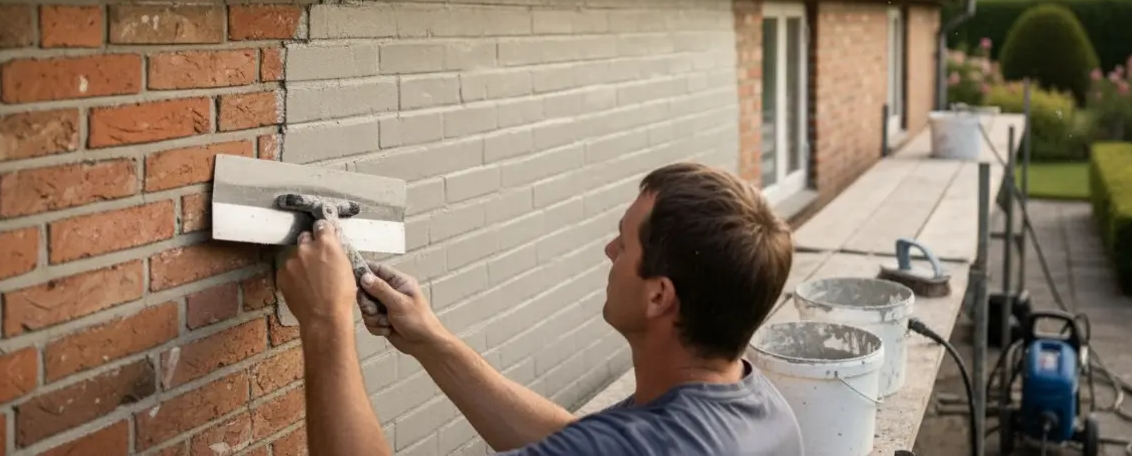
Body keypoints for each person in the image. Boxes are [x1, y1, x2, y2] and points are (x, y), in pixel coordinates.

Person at [276, 161, 803, 455]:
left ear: (659, 296)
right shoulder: (762, 411)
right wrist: (431, 341)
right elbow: (570, 441)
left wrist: (325, 322)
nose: (610, 252)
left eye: (624, 244)